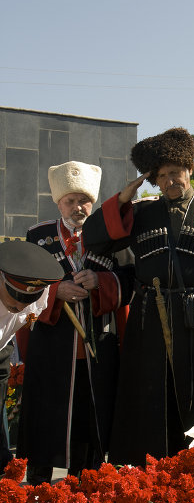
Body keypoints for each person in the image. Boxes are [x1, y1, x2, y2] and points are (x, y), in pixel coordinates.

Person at [82, 127, 194, 466]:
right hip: (149, 326)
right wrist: (124, 197)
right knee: (149, 407)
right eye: (161, 176)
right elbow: (94, 239)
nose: (170, 181)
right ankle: (147, 483)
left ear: (189, 169)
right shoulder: (141, 211)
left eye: (175, 172)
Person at [16, 161, 133, 485]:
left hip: (96, 352)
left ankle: (88, 492)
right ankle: (37, 492)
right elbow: (23, 285)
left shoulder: (111, 238)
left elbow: (129, 282)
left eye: (84, 200)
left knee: (89, 424)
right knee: (45, 424)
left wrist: (100, 281)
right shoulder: (38, 236)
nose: (78, 207)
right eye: (71, 200)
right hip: (52, 350)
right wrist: (55, 290)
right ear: (58, 202)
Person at [0, 240, 64, 472]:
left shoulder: (38, 295)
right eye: (14, 295)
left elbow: (31, 317)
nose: (19, 303)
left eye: (27, 298)